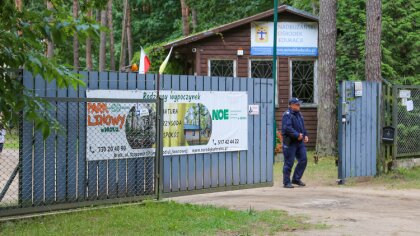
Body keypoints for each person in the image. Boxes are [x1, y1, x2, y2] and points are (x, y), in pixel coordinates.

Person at [281, 97, 309, 188]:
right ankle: (286, 182)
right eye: (297, 104)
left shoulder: (299, 114)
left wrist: (305, 135)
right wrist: (297, 135)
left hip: (299, 142)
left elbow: (302, 127)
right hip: (290, 142)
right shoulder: (287, 115)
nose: (299, 105)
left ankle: (296, 179)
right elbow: (287, 129)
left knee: (303, 159)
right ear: (292, 105)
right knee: (289, 162)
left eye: (299, 104)